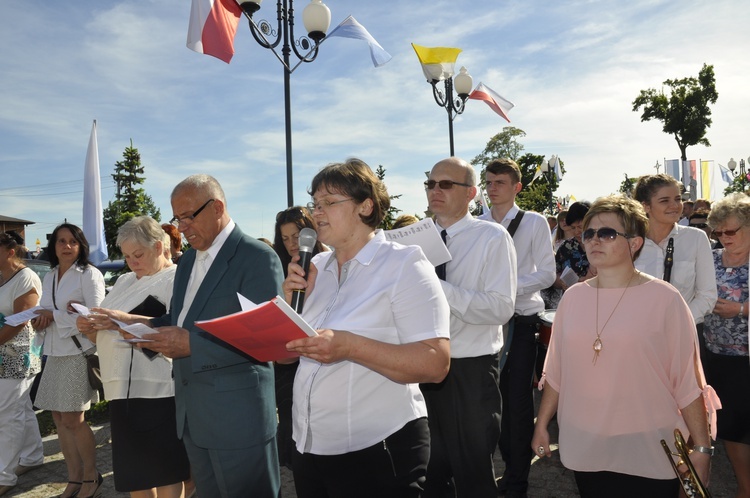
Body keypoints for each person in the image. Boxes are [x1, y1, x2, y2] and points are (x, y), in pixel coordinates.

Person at [281, 158, 450, 498]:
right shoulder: (314, 267)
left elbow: (436, 363)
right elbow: (286, 357)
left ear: (365, 205)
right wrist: (287, 306)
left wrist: (348, 347)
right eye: (316, 204)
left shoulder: (403, 264)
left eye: (330, 202)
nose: (318, 212)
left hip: (378, 450)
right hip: (309, 447)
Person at [531, 195, 717, 498]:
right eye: (588, 233)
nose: (594, 240)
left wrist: (702, 447)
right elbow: (556, 369)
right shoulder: (573, 298)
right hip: (585, 439)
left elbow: (687, 380)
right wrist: (542, 423)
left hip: (648, 441)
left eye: (607, 233)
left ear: (634, 243)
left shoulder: (665, 299)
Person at [143, 174, 284, 498]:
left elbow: (265, 340)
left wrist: (191, 345)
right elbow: (182, 320)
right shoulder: (189, 259)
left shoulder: (257, 258)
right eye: (177, 219)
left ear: (218, 206)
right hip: (194, 417)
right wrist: (139, 327)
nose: (182, 227)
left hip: (238, 421)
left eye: (189, 216)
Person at [421, 157, 517, 497]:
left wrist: (437, 289)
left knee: (474, 473)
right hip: (422, 366)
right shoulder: (415, 240)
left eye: (445, 184)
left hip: (471, 370)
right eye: (430, 184)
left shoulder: (491, 237)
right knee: (428, 473)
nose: (435, 190)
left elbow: (501, 308)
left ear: (472, 193)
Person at [76, 216, 190, 497]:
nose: (132, 262)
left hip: (158, 388)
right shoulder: (125, 280)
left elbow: (176, 327)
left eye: (138, 255)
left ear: (161, 246)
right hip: (119, 389)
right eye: (127, 256)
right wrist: (90, 328)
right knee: (134, 474)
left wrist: (121, 321)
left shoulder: (177, 279)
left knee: (164, 470)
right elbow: (107, 332)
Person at [478, 158, 555, 498]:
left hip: (521, 321)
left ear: (516, 187)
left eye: (500, 182)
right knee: (490, 402)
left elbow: (547, 274)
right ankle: (506, 471)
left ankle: (517, 481)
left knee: (518, 402)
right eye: (489, 182)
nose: (492, 188)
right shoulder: (476, 224)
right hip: (485, 323)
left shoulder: (534, 222)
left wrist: (505, 287)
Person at [32, 223, 105, 498]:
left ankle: (91, 477)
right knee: (59, 419)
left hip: (77, 352)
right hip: (54, 352)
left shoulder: (89, 274)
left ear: (81, 245)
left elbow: (95, 317)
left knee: (74, 419)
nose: (66, 246)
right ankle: (73, 478)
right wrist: (41, 320)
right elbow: (48, 312)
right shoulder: (50, 276)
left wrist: (55, 316)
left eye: (72, 241)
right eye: (61, 241)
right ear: (53, 246)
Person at [633, 174, 717, 354]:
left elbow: (707, 295)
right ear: (645, 206)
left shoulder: (696, 238)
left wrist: (679, 322)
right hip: (636, 341)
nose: (675, 205)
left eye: (678, 199)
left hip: (683, 340)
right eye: (665, 200)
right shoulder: (629, 242)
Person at [272, 206, 326, 469]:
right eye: (284, 238)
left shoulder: (329, 263)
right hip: (287, 359)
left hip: (320, 358)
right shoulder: (279, 267)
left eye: (296, 236)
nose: (292, 244)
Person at [703, 193, 750, 497]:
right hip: (714, 357)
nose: (723, 238)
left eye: (730, 231)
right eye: (718, 232)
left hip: (745, 360)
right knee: (731, 429)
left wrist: (742, 309)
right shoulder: (709, 258)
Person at [0, 232, 44, 497]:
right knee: (20, 407)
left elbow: (18, 321)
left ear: (9, 251)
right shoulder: (1, 276)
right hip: (3, 351)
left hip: (19, 352)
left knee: (7, 413)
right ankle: (32, 456)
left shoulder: (26, 277)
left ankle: (4, 475)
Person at [543, 201, 593, 309]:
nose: (577, 232)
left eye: (580, 227)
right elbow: (553, 273)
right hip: (570, 305)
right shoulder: (566, 247)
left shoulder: (601, 246)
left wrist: (584, 281)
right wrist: (561, 282)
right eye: (573, 228)